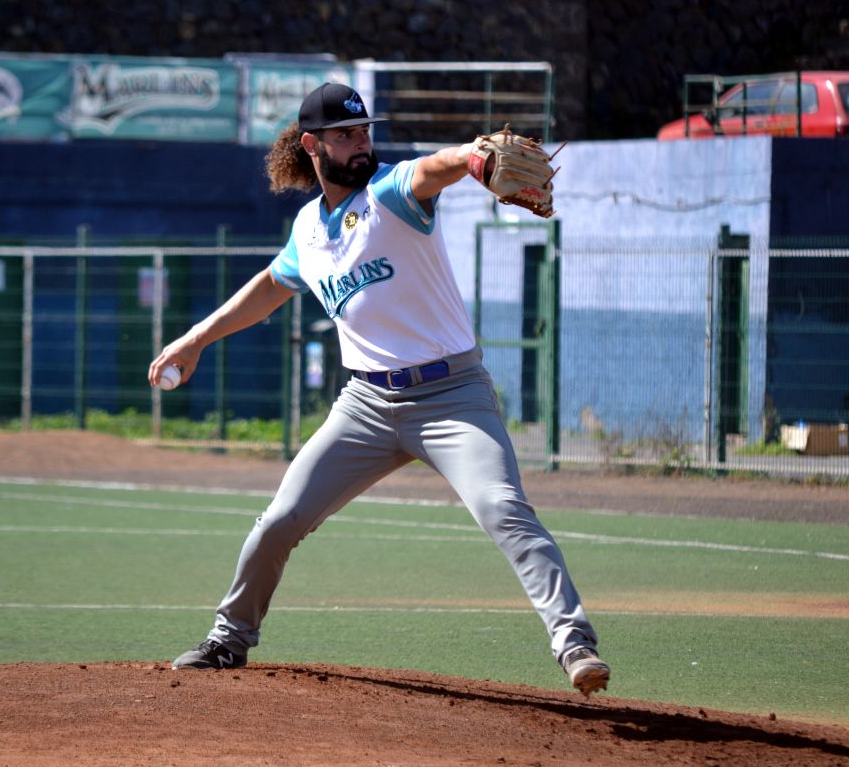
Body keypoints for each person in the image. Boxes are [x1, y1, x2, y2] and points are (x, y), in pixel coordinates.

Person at [147, 82, 609, 696]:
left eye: (364, 130)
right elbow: (268, 286)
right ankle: (229, 640)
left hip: (452, 397)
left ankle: (574, 643)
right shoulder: (309, 228)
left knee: (503, 508)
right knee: (279, 521)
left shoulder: (393, 191)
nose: (360, 142)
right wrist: (195, 338)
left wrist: (474, 158)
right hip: (364, 406)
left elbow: (436, 167)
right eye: (344, 135)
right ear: (312, 145)